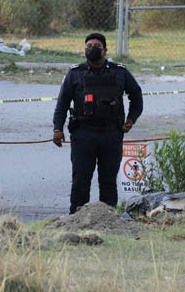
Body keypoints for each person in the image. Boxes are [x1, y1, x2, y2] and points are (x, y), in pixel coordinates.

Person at [52, 32, 143, 214]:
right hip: (83, 135)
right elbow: (62, 103)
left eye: (96, 46)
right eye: (88, 46)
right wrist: (57, 128)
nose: (92, 49)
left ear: (105, 50)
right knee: (81, 181)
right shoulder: (75, 74)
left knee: (108, 181)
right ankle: (77, 219)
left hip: (111, 134)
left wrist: (131, 120)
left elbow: (136, 96)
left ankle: (108, 219)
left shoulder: (120, 72)